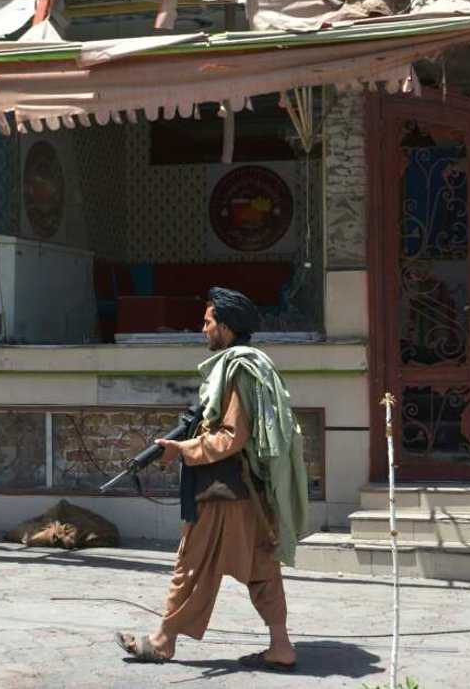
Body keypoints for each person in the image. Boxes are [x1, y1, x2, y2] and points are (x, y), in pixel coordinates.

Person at [115, 287, 309, 671]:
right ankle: (281, 647)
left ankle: (161, 641)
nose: (202, 329)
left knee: (189, 565)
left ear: (226, 326)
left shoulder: (237, 370)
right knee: (261, 568)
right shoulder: (252, 365)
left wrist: (182, 450)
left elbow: (231, 437)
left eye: (208, 322)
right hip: (249, 492)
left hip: (224, 491)